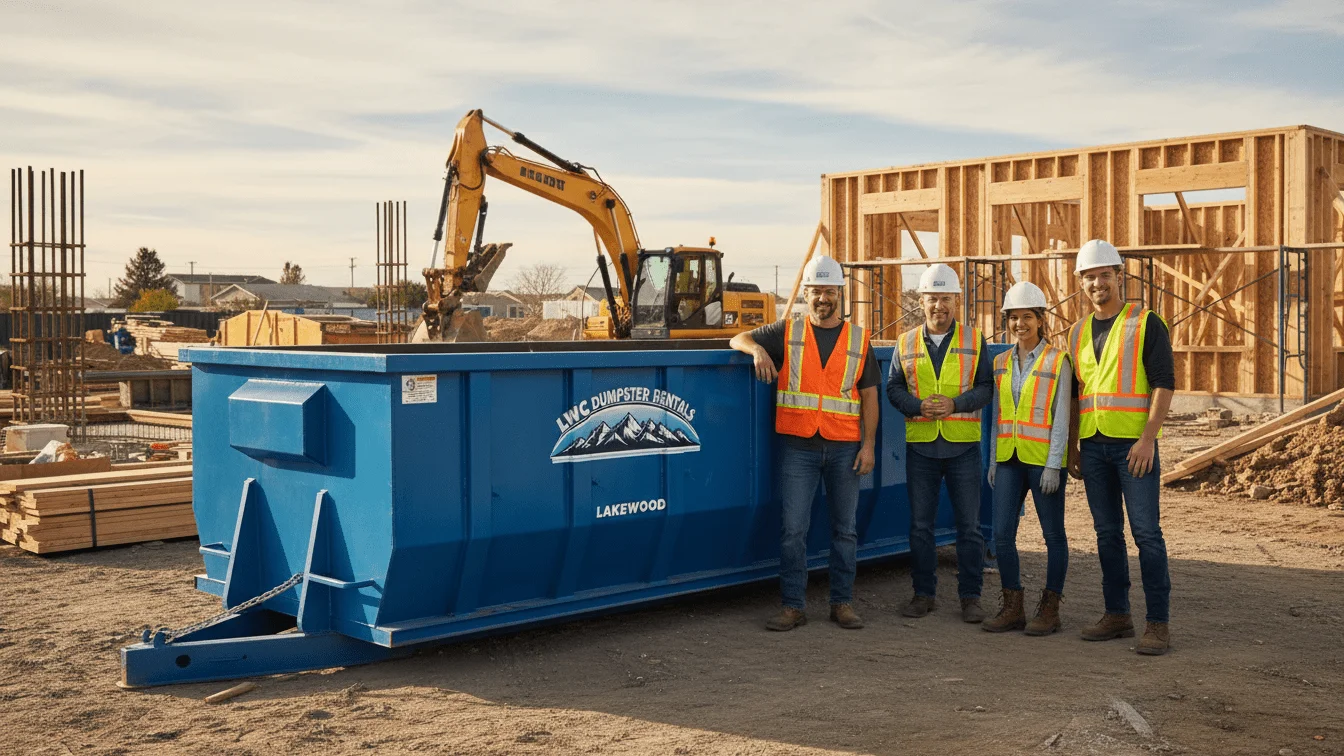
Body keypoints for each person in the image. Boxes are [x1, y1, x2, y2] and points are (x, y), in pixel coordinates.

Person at [730, 255, 880, 631]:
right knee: (793, 530)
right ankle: (793, 606)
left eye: (829, 291)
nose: (822, 298)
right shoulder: (788, 331)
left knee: (845, 530)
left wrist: (869, 446)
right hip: (799, 447)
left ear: (840, 294)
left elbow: (870, 397)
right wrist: (758, 350)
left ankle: (842, 603)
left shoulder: (858, 339)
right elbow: (737, 337)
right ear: (806, 294)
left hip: (845, 446)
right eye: (816, 291)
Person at [1067, 239, 1175, 655]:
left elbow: (1163, 383)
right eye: (1090, 277)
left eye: (1104, 275)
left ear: (1118, 275)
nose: (1098, 283)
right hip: (1094, 446)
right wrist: (1074, 447)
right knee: (1107, 534)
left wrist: (1148, 439)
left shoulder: (1145, 322)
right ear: (1081, 282)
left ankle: (1158, 623)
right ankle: (1117, 614)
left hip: (1134, 448)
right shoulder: (1077, 332)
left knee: (1146, 534)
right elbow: (1075, 394)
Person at [886, 263, 993, 623]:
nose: (939, 306)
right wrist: (917, 406)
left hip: (963, 447)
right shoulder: (905, 342)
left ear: (956, 301)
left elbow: (986, 388)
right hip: (922, 448)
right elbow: (893, 388)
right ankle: (923, 594)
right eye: (932, 298)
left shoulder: (974, 340)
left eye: (945, 298)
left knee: (969, 527)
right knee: (920, 526)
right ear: (921, 301)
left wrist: (955, 404)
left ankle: (971, 598)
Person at [982, 281, 1072, 635]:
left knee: (1053, 536)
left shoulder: (1057, 360)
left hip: (1042, 460)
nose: (1020, 324)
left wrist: (1053, 464)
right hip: (1008, 458)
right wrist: (993, 460)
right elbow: (997, 415)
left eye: (1027, 317)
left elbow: (1062, 417)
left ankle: (1050, 610)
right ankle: (1012, 607)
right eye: (1014, 317)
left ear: (1040, 319)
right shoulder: (1000, 362)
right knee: (1002, 534)